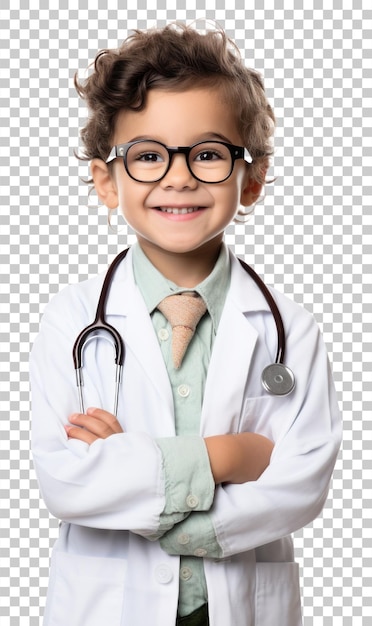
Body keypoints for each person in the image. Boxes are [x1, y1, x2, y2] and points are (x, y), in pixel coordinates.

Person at [30, 23, 341, 626]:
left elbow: (300, 483)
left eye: (207, 153)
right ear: (106, 181)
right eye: (148, 155)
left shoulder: (290, 329)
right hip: (109, 605)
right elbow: (65, 482)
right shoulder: (71, 320)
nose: (179, 177)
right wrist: (232, 456)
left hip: (241, 605)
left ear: (249, 177)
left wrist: (129, 468)